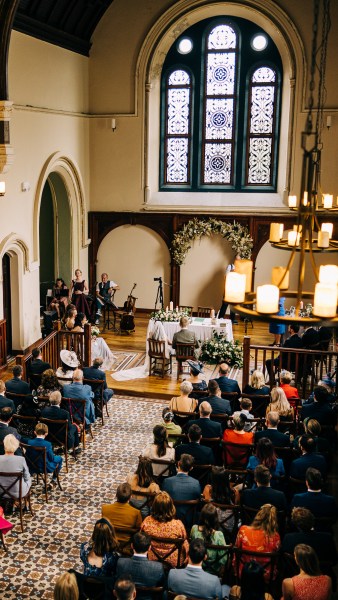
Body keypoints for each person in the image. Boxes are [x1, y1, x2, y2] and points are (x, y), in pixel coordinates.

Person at [140, 491, 189, 568]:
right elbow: (184, 539)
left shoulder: (147, 522)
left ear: (154, 507)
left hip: (151, 558)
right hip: (174, 561)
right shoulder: (178, 525)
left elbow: (141, 536)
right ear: (171, 507)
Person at [234, 504, 281, 581]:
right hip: (265, 576)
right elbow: (276, 560)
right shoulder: (275, 536)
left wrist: (235, 570)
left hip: (244, 572)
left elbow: (236, 553)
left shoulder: (243, 530)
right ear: (274, 520)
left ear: (258, 515)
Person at [116, 531, 165, 598]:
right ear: (149, 548)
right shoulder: (158, 567)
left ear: (132, 546)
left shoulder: (121, 563)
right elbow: (162, 587)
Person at [190, 503, 229, 575]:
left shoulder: (194, 529)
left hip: (196, 568)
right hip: (213, 572)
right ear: (215, 519)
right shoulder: (218, 535)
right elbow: (223, 560)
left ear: (201, 516)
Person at [162, 454, 201, 525]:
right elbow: (198, 499)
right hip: (189, 521)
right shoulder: (196, 483)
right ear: (191, 468)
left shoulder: (167, 482)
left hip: (170, 518)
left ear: (178, 464)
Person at [102, 483, 142, 547]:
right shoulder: (136, 512)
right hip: (126, 544)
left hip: (108, 543)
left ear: (116, 495)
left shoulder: (104, 508)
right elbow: (139, 529)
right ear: (130, 497)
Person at [202, 466, 235, 537]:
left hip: (212, 529)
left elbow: (206, 508)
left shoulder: (208, 490)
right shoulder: (235, 493)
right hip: (229, 531)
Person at [218, 257, 239, 322]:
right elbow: (226, 276)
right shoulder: (229, 266)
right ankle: (220, 318)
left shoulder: (240, 268)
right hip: (228, 289)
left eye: (239, 260)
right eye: (237, 259)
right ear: (234, 259)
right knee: (225, 304)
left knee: (233, 305)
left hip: (235, 289)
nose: (238, 261)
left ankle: (232, 319)